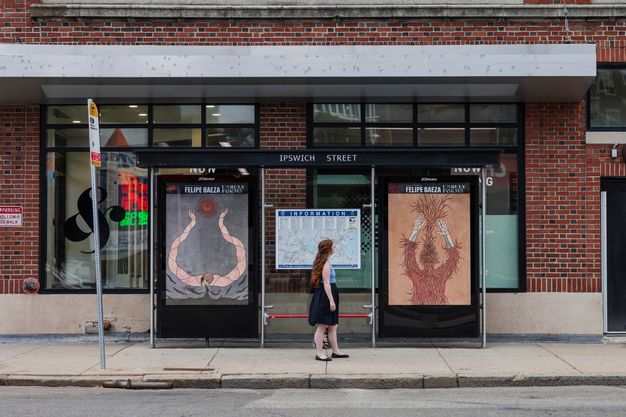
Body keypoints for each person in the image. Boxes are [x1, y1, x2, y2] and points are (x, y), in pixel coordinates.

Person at [308, 239, 349, 361]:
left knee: (332, 325)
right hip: (326, 295)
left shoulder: (324, 262)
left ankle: (335, 351)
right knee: (322, 325)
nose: (335, 247)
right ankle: (319, 353)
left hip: (329, 293)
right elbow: (326, 283)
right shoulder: (325, 264)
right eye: (333, 246)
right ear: (329, 249)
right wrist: (331, 300)